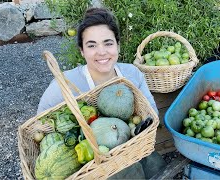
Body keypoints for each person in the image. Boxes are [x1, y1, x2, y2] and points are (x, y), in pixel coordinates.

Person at [37, 7, 166, 179]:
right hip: (90, 169)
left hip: (130, 152)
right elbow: (39, 126)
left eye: (108, 43)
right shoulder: (64, 85)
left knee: (153, 165)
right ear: (82, 51)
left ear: (118, 45)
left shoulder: (132, 74)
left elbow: (152, 114)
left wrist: (135, 133)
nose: (102, 52)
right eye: (92, 45)